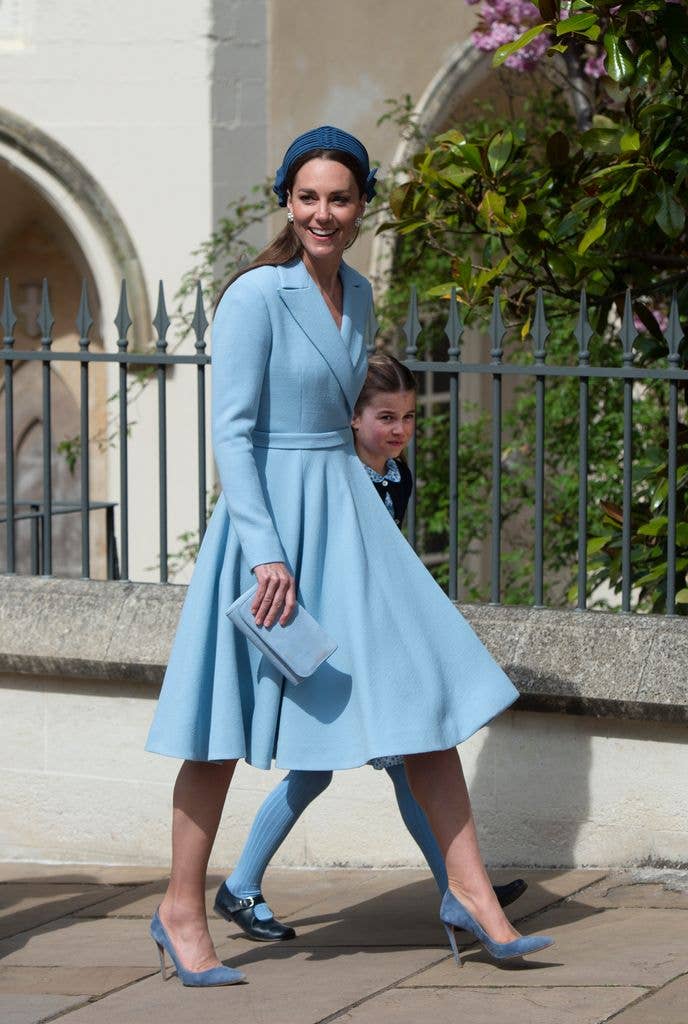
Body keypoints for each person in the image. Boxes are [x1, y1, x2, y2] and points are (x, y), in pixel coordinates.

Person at [145, 125, 553, 987]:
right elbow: (236, 432)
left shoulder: (361, 294)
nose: (322, 213)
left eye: (339, 197)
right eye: (308, 197)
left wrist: (377, 477)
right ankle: (181, 908)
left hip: (347, 519)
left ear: (362, 204)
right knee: (221, 732)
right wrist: (264, 552)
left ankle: (474, 896)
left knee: (423, 696)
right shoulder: (256, 296)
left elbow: (345, 417)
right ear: (288, 204)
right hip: (271, 532)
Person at [214, 353, 527, 942]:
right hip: (328, 648)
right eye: (386, 416)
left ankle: (460, 888)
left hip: (368, 647)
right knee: (384, 765)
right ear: (351, 419)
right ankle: (461, 889)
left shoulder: (397, 475)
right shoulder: (332, 475)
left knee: (364, 768)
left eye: (408, 416)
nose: (400, 430)